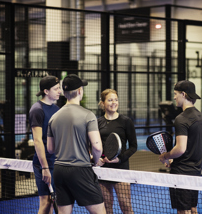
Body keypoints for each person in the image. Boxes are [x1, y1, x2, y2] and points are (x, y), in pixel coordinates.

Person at [47, 74, 106, 214]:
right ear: (80, 91)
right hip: (80, 170)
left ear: (64, 93)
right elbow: (97, 146)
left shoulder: (53, 117)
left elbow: (50, 149)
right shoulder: (88, 115)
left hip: (59, 170)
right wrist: (95, 161)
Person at [159, 80, 202, 214]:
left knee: (183, 211)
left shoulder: (182, 118)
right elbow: (193, 145)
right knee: (192, 208)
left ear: (183, 94)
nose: (174, 97)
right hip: (195, 170)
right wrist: (174, 159)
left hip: (181, 172)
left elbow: (180, 149)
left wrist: (165, 156)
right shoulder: (199, 116)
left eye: (175, 94)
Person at [97, 89, 137, 214]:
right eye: (110, 100)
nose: (114, 102)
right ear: (103, 103)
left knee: (126, 206)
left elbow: (133, 146)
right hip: (103, 170)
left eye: (116, 99)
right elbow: (93, 144)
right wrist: (97, 158)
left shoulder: (126, 122)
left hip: (121, 169)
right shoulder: (98, 122)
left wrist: (119, 159)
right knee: (107, 206)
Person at [29, 75, 61, 214]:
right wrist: (45, 168)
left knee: (57, 201)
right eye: (56, 88)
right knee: (46, 202)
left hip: (57, 162)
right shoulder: (37, 109)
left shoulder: (57, 109)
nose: (59, 91)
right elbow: (37, 141)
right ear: (46, 91)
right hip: (44, 163)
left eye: (59, 87)